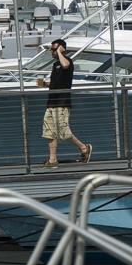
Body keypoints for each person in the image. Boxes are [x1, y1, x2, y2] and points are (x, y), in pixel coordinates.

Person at [40, 38, 92, 168]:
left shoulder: (67, 61)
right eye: (51, 49)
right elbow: (56, 83)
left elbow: (65, 66)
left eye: (55, 49)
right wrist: (46, 84)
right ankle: (52, 160)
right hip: (51, 103)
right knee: (49, 132)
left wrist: (60, 52)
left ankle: (84, 148)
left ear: (62, 49)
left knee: (64, 131)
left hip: (62, 103)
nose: (52, 52)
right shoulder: (54, 65)